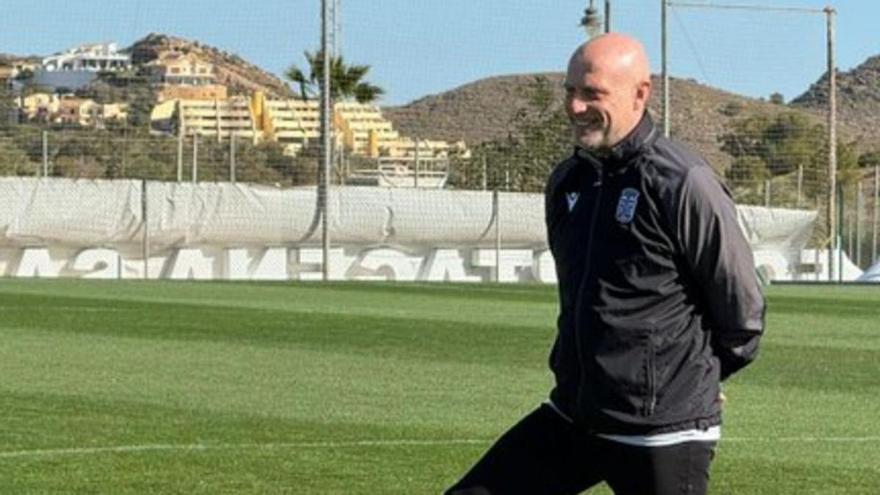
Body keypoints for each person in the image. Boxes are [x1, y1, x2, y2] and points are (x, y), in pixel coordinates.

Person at [445, 33, 765, 495]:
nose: (575, 107)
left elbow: (742, 305)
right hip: (577, 414)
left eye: (592, 94)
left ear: (640, 93)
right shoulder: (568, 180)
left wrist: (704, 375)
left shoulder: (682, 181)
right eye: (570, 92)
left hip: (662, 428)